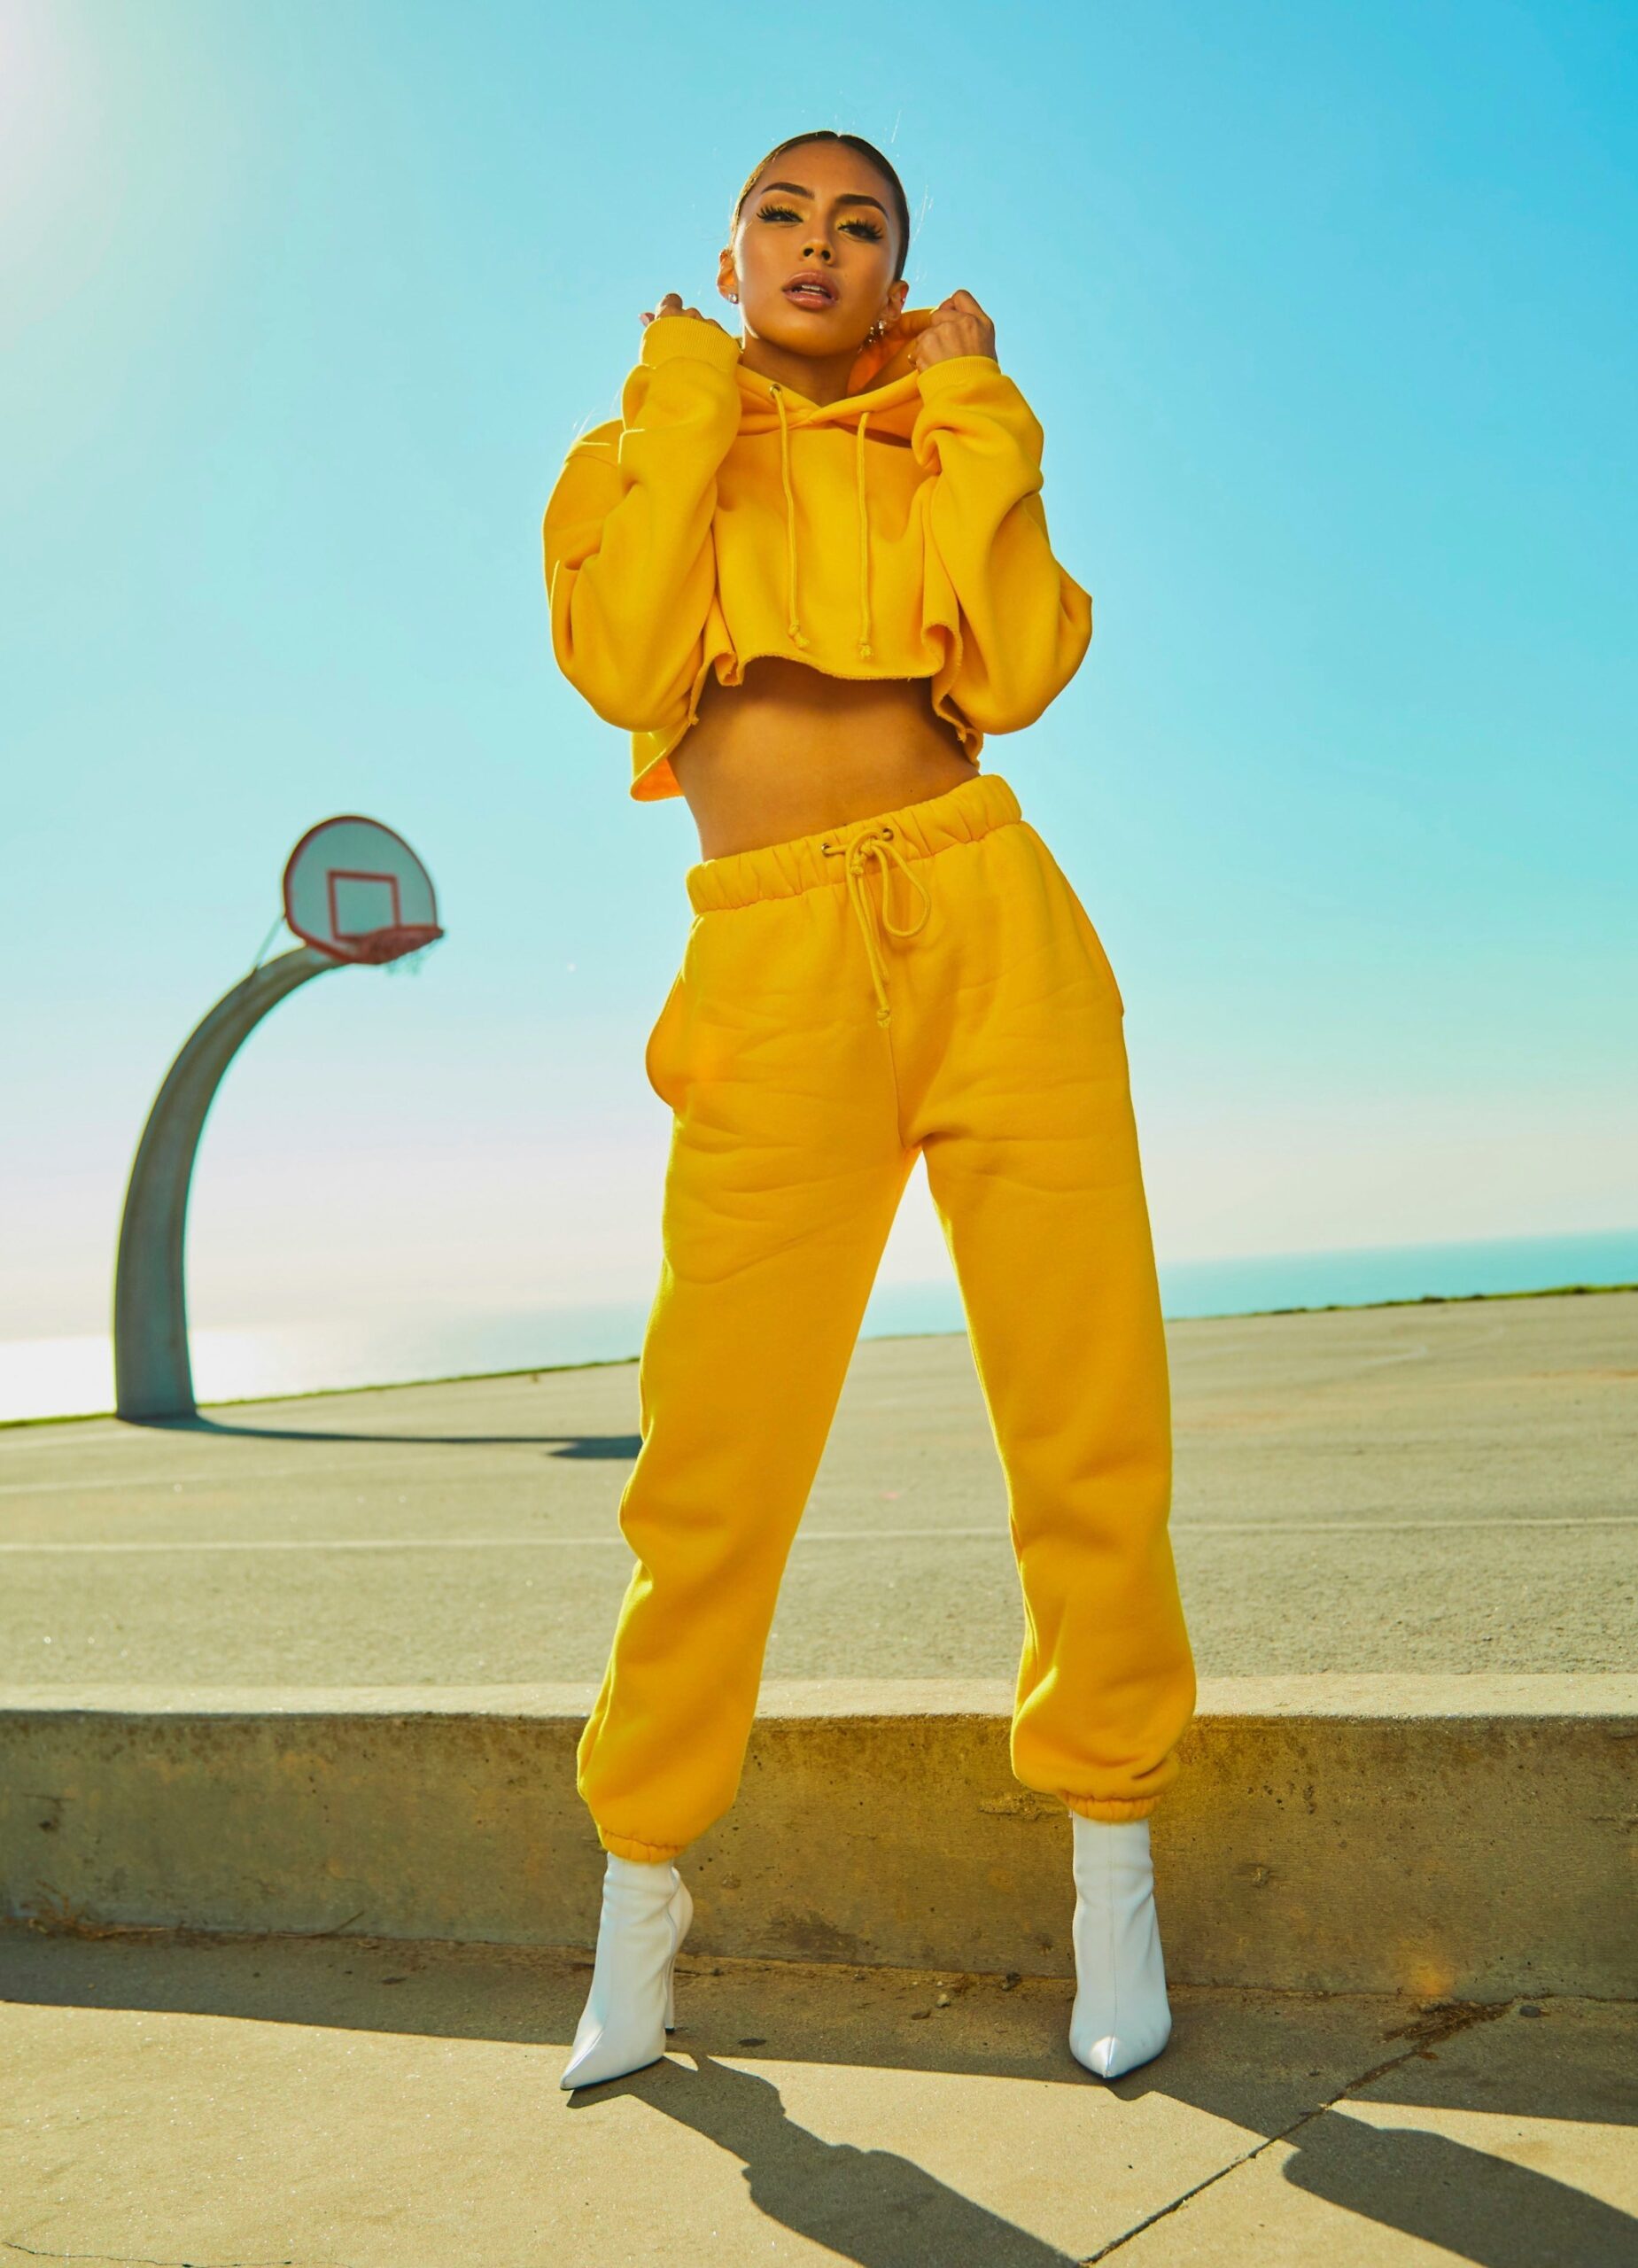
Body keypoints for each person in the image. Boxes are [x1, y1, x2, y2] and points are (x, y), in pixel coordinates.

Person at [541, 129, 1196, 2092]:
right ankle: (639, 1892)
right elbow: (621, 660)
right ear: (727, 249)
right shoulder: (630, 449)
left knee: (1090, 1415)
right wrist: (683, 395)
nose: (819, 244)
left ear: (903, 268)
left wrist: (980, 408)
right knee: (712, 1460)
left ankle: (1111, 1856)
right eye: (783, 216)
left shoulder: (943, 435)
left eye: (863, 225)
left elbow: (1018, 659)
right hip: (770, 969)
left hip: (990, 915)